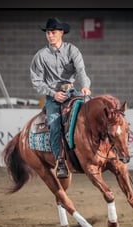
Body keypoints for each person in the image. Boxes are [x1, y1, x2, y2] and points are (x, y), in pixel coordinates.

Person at [30, 17, 92, 178]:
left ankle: (96, 151)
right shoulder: (41, 56)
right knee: (54, 124)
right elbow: (36, 82)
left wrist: (85, 86)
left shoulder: (72, 50)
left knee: (91, 112)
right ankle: (60, 161)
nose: (50, 35)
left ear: (61, 33)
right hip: (53, 96)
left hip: (72, 92)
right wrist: (53, 94)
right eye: (48, 33)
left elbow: (81, 71)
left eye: (53, 32)